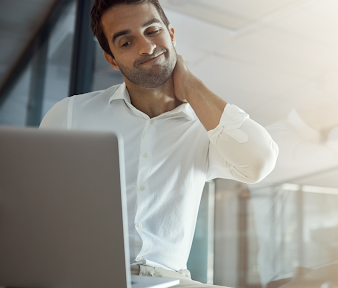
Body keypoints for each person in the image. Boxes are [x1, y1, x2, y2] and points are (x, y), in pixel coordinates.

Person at [39, 0, 278, 287]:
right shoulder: (71, 115)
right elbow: (37, 210)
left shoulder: (206, 124)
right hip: (90, 278)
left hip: (170, 281)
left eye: (152, 31)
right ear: (111, 59)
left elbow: (258, 163)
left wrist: (191, 85)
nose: (146, 47)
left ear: (171, 34)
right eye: (126, 42)